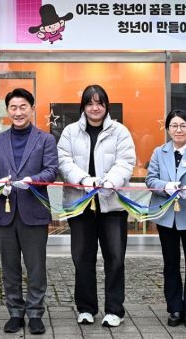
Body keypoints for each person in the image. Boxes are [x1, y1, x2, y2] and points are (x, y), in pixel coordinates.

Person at [57, 85, 135, 327]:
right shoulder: (70, 132)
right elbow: (64, 162)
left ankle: (115, 310)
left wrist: (112, 181)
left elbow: (126, 161)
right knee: (82, 257)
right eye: (90, 103)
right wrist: (84, 179)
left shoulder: (120, 132)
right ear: (83, 106)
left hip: (112, 206)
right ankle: (86, 308)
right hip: (80, 205)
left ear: (106, 106)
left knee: (115, 258)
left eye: (99, 103)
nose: (95, 108)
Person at [0, 88, 57, 335]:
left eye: (23, 107)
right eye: (13, 108)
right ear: (7, 111)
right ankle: (15, 313)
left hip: (33, 211)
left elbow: (51, 170)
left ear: (32, 109)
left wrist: (32, 180)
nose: (18, 112)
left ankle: (35, 313)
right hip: (5, 213)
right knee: (10, 267)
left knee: (36, 267)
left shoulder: (45, 139)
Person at [145, 109, 186, 329]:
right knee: (170, 263)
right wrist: (165, 186)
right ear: (167, 128)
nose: (179, 130)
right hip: (167, 216)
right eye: (174, 125)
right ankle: (174, 308)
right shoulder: (159, 152)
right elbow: (150, 179)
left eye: (183, 125)